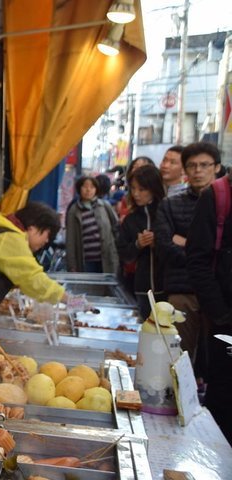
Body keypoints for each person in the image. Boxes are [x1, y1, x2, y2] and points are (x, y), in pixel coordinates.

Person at [153, 141, 222, 377]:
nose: (198, 171)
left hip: (220, 291)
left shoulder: (223, 203)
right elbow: (165, 246)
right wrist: (201, 253)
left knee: (216, 359)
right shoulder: (170, 204)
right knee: (177, 356)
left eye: (204, 165)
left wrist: (186, 242)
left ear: (217, 167)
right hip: (182, 291)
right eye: (192, 165)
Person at [186, 164, 232, 443]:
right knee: (224, 399)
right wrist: (222, 315)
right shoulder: (216, 196)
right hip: (225, 320)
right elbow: (198, 260)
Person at [115, 165, 166, 318]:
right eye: (133, 189)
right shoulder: (130, 219)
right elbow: (123, 253)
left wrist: (158, 243)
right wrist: (138, 245)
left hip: (167, 286)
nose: (136, 194)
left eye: (142, 189)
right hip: (141, 287)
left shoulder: (166, 211)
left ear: (153, 188)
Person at [66, 176, 119, 274]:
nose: (88, 190)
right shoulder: (74, 210)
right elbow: (70, 239)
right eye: (85, 186)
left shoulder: (104, 205)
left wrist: (118, 253)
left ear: (96, 189)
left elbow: (116, 228)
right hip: (86, 260)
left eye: (92, 187)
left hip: (107, 257)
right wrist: (72, 265)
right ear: (79, 189)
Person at [116, 156, 155, 222]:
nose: (137, 170)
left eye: (143, 167)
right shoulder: (126, 198)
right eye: (135, 166)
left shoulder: (160, 204)